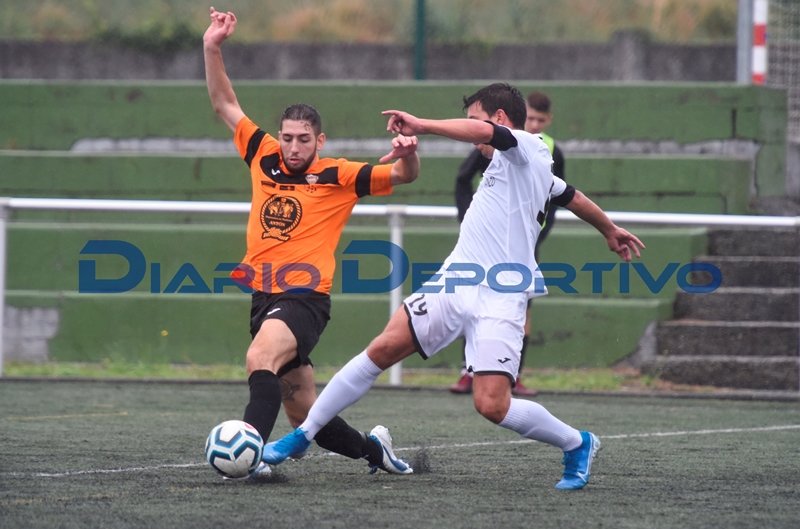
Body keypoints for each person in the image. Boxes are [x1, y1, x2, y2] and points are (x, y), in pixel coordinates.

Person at [262, 83, 645, 490]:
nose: (472, 128)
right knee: (381, 350)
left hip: (502, 296)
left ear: (499, 120)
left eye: (476, 118)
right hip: (455, 281)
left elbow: (485, 136)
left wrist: (421, 124)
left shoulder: (528, 145)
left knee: (491, 405)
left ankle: (577, 443)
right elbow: (569, 194)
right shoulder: (518, 166)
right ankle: (302, 435)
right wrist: (609, 228)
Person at [203, 7, 420, 478]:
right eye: (287, 138)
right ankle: (374, 450)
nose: (293, 146)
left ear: (319, 140)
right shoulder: (262, 155)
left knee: (258, 358)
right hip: (264, 294)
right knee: (305, 415)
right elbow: (225, 104)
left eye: (303, 139)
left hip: (304, 296)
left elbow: (403, 176)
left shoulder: (338, 174)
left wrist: (409, 154)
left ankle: (251, 453)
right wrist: (212, 47)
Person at [449, 90, 566, 396]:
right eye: (530, 118)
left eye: (541, 120)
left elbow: (561, 195)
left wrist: (540, 231)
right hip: (488, 238)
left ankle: (512, 373)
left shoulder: (549, 150)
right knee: (471, 299)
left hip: (524, 242)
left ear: (549, 120)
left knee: (520, 308)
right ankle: (468, 370)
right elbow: (463, 179)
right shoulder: (497, 143)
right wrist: (467, 217)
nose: (535, 124)